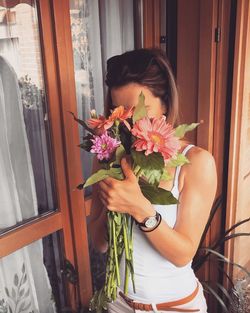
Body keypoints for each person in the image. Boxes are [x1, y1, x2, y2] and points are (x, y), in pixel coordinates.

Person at [88, 48, 217, 313]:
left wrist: (138, 207)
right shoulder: (108, 157)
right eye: (118, 112)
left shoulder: (196, 163)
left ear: (166, 103)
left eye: (137, 113)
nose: (127, 125)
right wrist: (110, 206)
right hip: (119, 304)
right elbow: (99, 244)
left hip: (175, 308)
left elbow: (183, 254)